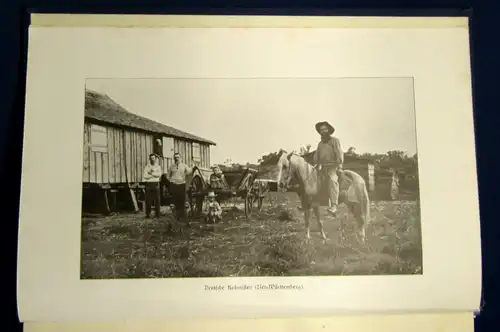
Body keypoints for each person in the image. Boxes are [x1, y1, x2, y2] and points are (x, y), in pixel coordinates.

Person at [312, 121, 344, 216]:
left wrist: (339, 166)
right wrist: (316, 164)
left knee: (332, 181)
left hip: (333, 166)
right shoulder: (320, 144)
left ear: (329, 130)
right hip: (323, 167)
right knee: (312, 180)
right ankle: (312, 202)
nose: (323, 131)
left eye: (325, 129)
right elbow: (316, 156)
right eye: (321, 130)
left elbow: (339, 153)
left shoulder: (335, 141)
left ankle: (334, 206)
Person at [167, 152, 193, 223]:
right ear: (174, 158)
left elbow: (189, 172)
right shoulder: (171, 166)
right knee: (175, 200)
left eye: (178, 157)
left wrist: (193, 167)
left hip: (182, 184)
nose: (176, 159)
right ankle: (176, 216)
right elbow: (168, 176)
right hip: (174, 185)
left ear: (180, 158)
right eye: (175, 157)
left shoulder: (184, 166)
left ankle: (182, 216)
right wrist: (172, 180)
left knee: (182, 199)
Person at [143, 153, 163, 218]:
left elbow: (159, 175)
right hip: (148, 184)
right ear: (149, 159)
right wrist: (154, 174)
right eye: (151, 158)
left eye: (153, 158)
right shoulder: (147, 167)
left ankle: (157, 214)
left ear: (155, 159)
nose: (152, 159)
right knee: (148, 200)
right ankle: (148, 214)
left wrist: (151, 173)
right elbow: (145, 176)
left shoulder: (158, 167)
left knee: (157, 200)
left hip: (156, 184)